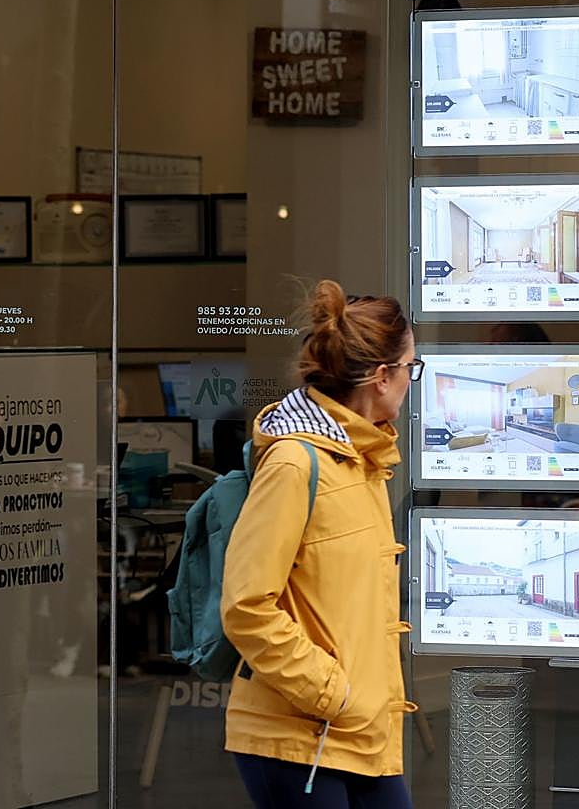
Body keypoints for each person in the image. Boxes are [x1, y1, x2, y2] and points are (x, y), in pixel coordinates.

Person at [221, 280, 422, 808]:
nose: (412, 381)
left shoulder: (362, 460)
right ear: (382, 376)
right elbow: (246, 605)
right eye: (411, 368)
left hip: (357, 730)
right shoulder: (294, 463)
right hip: (298, 734)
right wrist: (334, 693)